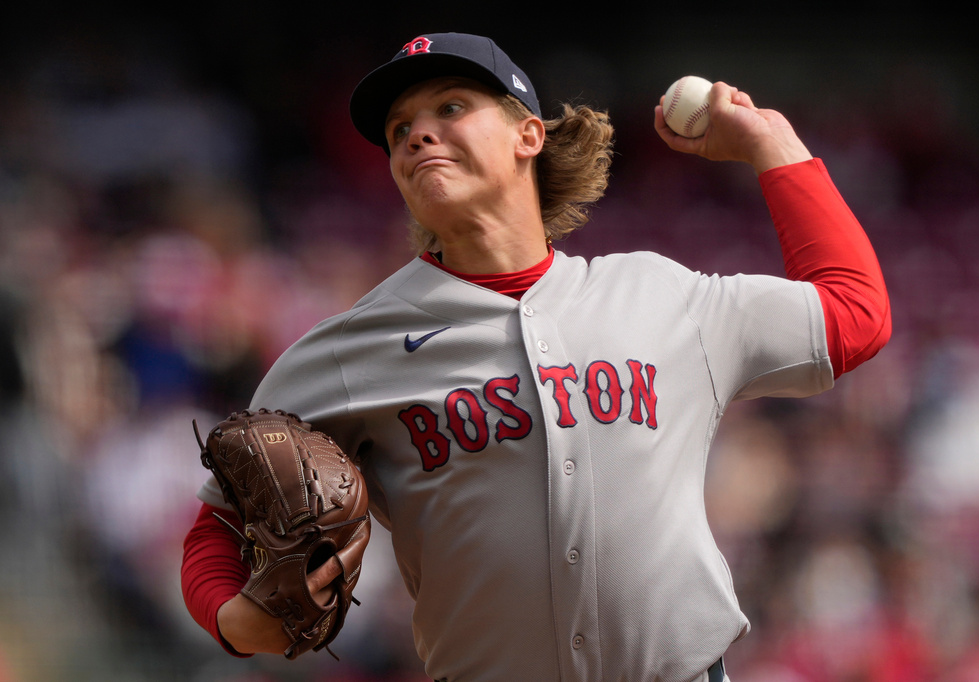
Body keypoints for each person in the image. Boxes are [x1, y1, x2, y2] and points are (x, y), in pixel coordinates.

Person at [181, 32, 891, 682]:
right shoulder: (348, 348)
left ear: (528, 135)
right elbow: (216, 523)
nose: (417, 134)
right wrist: (233, 622)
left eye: (451, 107)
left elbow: (854, 316)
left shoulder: (660, 295)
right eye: (400, 131)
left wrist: (774, 144)